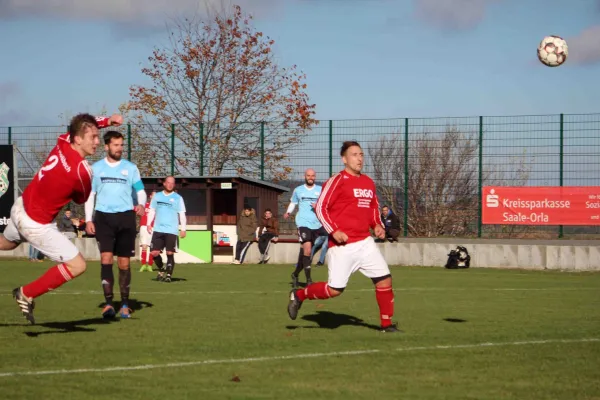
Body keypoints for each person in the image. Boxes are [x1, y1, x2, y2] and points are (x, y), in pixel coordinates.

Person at [0, 113, 122, 324]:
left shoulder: (62, 141)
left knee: (6, 243)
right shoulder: (82, 170)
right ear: (78, 139)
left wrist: (105, 122)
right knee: (78, 265)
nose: (96, 142)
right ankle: (26, 293)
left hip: (21, 206)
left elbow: (81, 125)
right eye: (92, 137)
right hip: (36, 223)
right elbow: (81, 197)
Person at [287, 140, 400, 333]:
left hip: (365, 242)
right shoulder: (336, 181)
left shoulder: (368, 182)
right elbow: (321, 207)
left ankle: (386, 324)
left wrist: (377, 225)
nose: (359, 158)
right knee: (334, 290)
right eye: (355, 154)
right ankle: (299, 295)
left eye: (361, 154)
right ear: (344, 159)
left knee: (384, 280)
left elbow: (373, 208)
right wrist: (333, 230)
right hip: (342, 246)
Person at [84, 131, 146, 319]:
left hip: (126, 217)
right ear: (106, 146)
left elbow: (140, 190)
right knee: (106, 259)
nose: (119, 148)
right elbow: (90, 195)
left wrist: (141, 203)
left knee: (124, 263)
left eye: (121, 145)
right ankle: (109, 304)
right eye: (116, 145)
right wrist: (88, 219)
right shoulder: (96, 168)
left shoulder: (130, 168)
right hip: (103, 218)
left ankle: (125, 305)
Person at [284, 168, 322, 288]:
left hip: (316, 224)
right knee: (308, 250)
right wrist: (288, 212)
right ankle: (309, 280)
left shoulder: (320, 190)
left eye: (312, 176)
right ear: (304, 176)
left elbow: (325, 204)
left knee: (305, 253)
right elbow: (293, 203)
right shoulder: (298, 190)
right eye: (308, 175)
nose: (310, 177)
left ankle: (295, 274)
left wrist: (318, 205)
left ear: (315, 177)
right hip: (303, 223)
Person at [146, 176, 187, 283]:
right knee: (154, 253)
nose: (170, 185)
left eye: (172, 183)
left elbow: (182, 214)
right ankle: (161, 268)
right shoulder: (157, 196)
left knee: (169, 253)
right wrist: (148, 224)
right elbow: (152, 210)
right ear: (164, 183)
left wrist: (183, 228)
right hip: (158, 229)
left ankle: (169, 275)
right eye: (168, 182)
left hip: (172, 230)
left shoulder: (178, 198)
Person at [139, 191, 156, 272]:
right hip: (144, 227)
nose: (155, 197)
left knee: (152, 247)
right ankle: (143, 265)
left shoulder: (157, 208)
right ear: (150, 196)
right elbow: (138, 211)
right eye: (154, 195)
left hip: (152, 228)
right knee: (144, 246)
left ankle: (149, 265)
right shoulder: (145, 205)